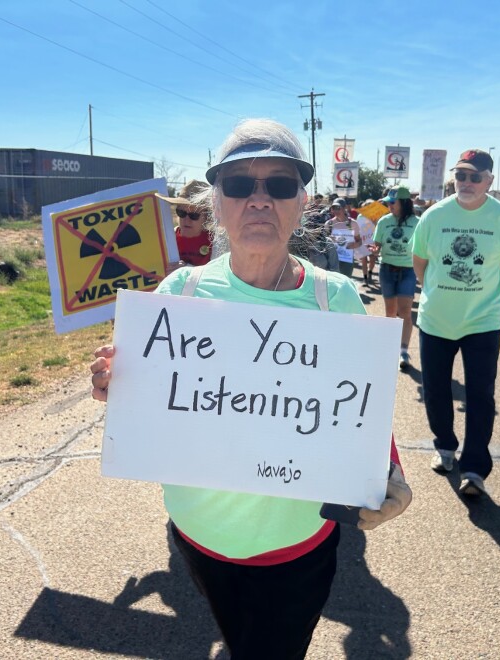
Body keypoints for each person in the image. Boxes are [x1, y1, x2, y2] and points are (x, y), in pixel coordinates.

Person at [90, 118, 412, 659]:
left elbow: (357, 403)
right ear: (217, 203)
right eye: (240, 185)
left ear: (301, 202)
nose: (258, 199)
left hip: (296, 548)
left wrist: (390, 466)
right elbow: (156, 398)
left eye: (279, 185)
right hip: (196, 536)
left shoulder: (335, 298)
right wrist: (117, 386)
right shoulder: (181, 292)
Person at [411, 149, 500, 497]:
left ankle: (475, 468)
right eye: (460, 176)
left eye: (474, 177)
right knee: (435, 389)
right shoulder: (434, 216)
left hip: (482, 321)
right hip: (435, 321)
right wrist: (438, 293)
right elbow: (420, 263)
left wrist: (484, 296)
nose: (466, 182)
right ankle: (445, 447)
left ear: (489, 181)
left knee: (481, 396)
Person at [372, 184, 419, 371]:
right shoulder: (384, 222)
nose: (390, 205)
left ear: (404, 202)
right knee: (391, 312)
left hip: (408, 270)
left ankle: (403, 350)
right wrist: (374, 250)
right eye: (388, 202)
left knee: (405, 312)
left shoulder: (418, 222)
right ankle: (391, 348)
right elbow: (376, 244)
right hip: (387, 269)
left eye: (393, 202)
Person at [155, 179, 213, 266]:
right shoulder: (165, 239)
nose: (186, 219)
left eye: (194, 215)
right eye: (181, 213)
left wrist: (185, 270)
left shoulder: (215, 243)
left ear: (207, 217)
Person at [324, 198, 362, 278]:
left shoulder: (353, 224)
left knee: (345, 282)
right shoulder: (329, 224)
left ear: (344, 208)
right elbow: (324, 242)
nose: (336, 210)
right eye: (334, 208)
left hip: (347, 259)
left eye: (338, 208)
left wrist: (354, 245)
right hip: (332, 259)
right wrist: (329, 240)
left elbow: (359, 241)